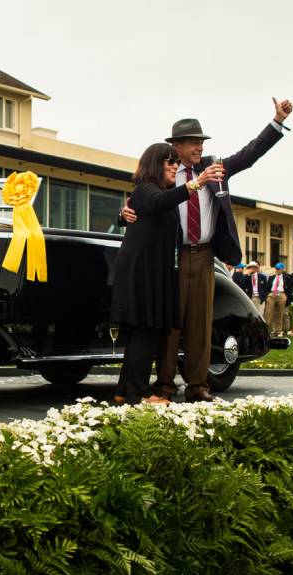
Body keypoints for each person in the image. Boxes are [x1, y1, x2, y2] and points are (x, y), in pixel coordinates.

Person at [121, 97, 293, 402]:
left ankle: (198, 384)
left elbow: (248, 156)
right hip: (172, 258)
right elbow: (145, 204)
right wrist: (123, 214)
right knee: (170, 324)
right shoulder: (165, 177)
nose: (199, 147)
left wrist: (276, 122)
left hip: (204, 256)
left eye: (201, 142)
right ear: (176, 146)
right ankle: (164, 384)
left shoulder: (215, 170)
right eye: (192, 143)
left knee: (201, 322)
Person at [112, 143, 209, 404]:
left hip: (152, 269)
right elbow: (156, 203)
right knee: (146, 330)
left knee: (143, 333)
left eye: (176, 162)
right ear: (156, 164)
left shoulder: (150, 192)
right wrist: (194, 184)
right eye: (170, 162)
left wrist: (122, 214)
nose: (175, 166)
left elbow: (152, 207)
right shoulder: (146, 189)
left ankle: (125, 391)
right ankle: (136, 393)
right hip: (142, 271)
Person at [264, 262, 290, 336]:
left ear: (282, 269)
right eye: (276, 268)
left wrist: (286, 296)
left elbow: (289, 288)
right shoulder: (272, 277)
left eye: (278, 269)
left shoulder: (287, 278)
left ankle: (278, 331)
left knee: (279, 313)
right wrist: (268, 294)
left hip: (281, 293)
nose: (277, 270)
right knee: (268, 312)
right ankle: (267, 329)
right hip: (272, 294)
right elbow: (268, 287)